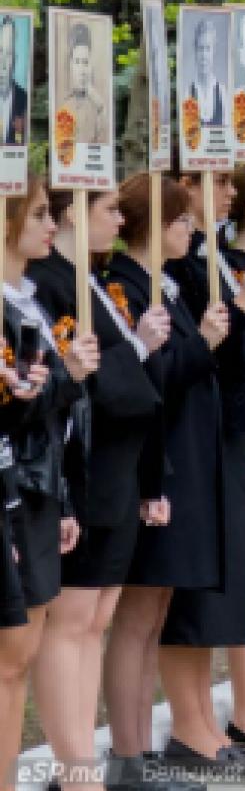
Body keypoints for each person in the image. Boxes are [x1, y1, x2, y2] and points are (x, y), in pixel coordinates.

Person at [28, 187, 167, 786]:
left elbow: (128, 374)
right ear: (69, 217)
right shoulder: (51, 281)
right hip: (84, 466)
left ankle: (81, 757)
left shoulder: (87, 280)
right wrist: (136, 351)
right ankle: (75, 766)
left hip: (118, 467)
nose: (119, 218)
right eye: (106, 208)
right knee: (73, 618)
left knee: (96, 618)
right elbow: (100, 381)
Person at [105, 174, 237, 769]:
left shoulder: (166, 284)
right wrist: (200, 344)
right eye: (182, 221)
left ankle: (140, 751)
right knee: (134, 617)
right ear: (156, 226)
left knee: (155, 611)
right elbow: (146, 381)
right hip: (153, 467)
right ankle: (128, 753)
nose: (191, 230)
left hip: (184, 459)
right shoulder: (122, 287)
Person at [0, 176, 95, 788]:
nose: (51, 223)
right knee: (9, 654)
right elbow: (19, 407)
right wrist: (65, 376)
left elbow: (43, 418)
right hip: (8, 489)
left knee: (22, 653)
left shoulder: (32, 299)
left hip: (36, 485)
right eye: (38, 213)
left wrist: (61, 499)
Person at [62, 22, 108, 144]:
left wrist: (100, 107)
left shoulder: (98, 104)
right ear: (71, 64)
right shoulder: (65, 104)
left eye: (85, 62)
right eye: (77, 62)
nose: (82, 70)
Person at [186, 18, 226, 128]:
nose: (204, 56)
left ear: (214, 51)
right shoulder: (187, 93)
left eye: (208, 48)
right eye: (200, 48)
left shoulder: (223, 93)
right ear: (195, 51)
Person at [0, 14, 27, 145]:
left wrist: (23, 131)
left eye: (9, 54)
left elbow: (22, 141)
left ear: (15, 60)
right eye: (0, 52)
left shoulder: (23, 98)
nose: (3, 64)